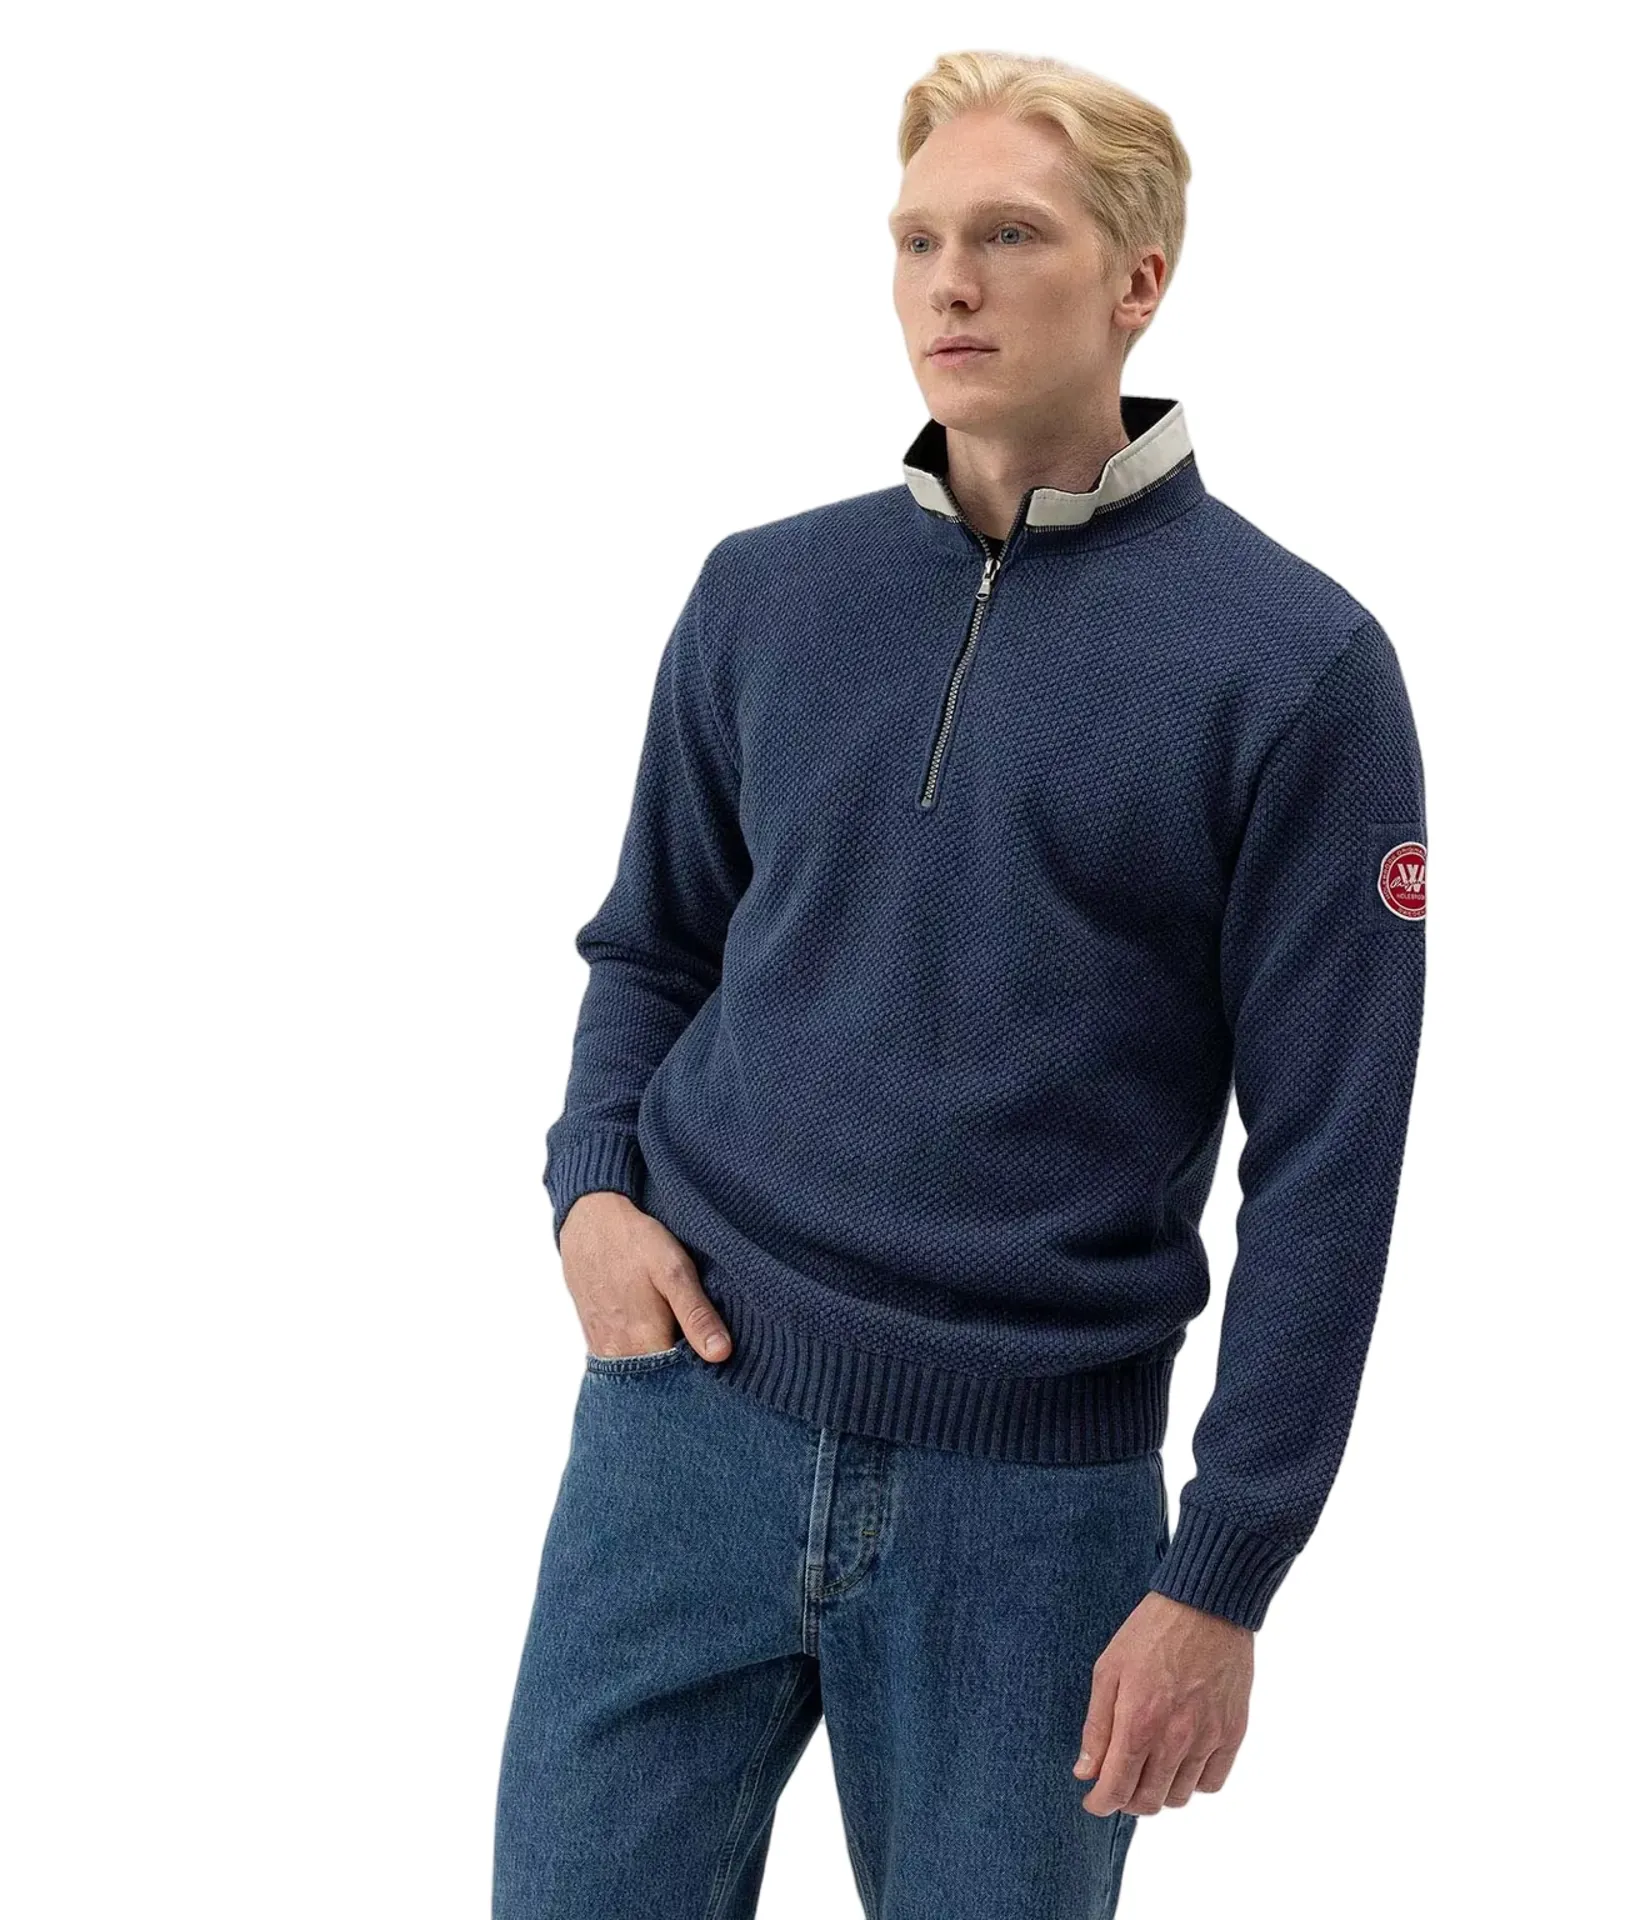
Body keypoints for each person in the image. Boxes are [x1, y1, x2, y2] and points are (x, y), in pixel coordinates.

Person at [494, 47, 1428, 1920]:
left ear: (1139, 280)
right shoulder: (763, 594)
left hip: (1033, 1513)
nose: (949, 285)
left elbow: (1330, 1162)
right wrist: (591, 1188)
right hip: (682, 1426)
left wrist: (1223, 1575)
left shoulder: (1299, 668)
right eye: (918, 240)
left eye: (1009, 236)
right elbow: (653, 944)